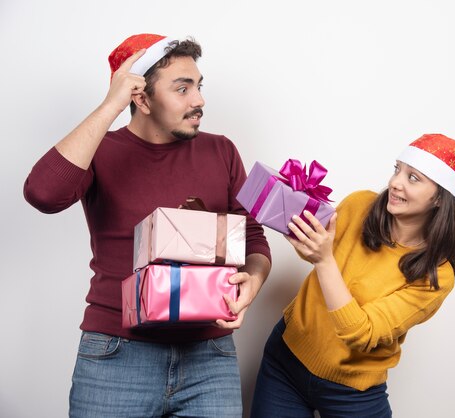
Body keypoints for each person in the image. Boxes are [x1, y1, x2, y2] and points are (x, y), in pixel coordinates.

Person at [23, 33, 271, 418]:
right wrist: (110, 105)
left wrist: (253, 280)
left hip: (211, 356)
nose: (199, 100)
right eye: (182, 88)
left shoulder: (221, 149)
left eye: (199, 86)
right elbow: (42, 194)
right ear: (140, 97)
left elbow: (253, 235)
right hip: (116, 354)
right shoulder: (99, 151)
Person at [250, 133, 455, 417]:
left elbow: (361, 333)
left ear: (440, 199)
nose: (395, 182)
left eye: (413, 178)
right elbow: (318, 256)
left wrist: (324, 259)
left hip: (351, 393)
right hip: (285, 362)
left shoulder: (437, 276)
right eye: (397, 170)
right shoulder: (359, 205)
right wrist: (302, 233)